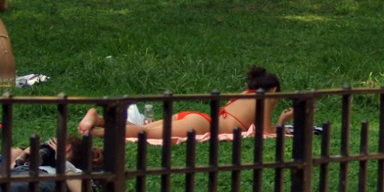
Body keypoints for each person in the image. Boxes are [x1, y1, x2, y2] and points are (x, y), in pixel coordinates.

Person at [109, 66, 292, 141]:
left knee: (142, 129)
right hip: (204, 124)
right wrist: (282, 120)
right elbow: (266, 134)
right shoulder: (264, 99)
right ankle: (101, 132)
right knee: (146, 133)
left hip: (197, 118)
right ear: (274, 90)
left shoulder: (244, 94)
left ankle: (102, 121)